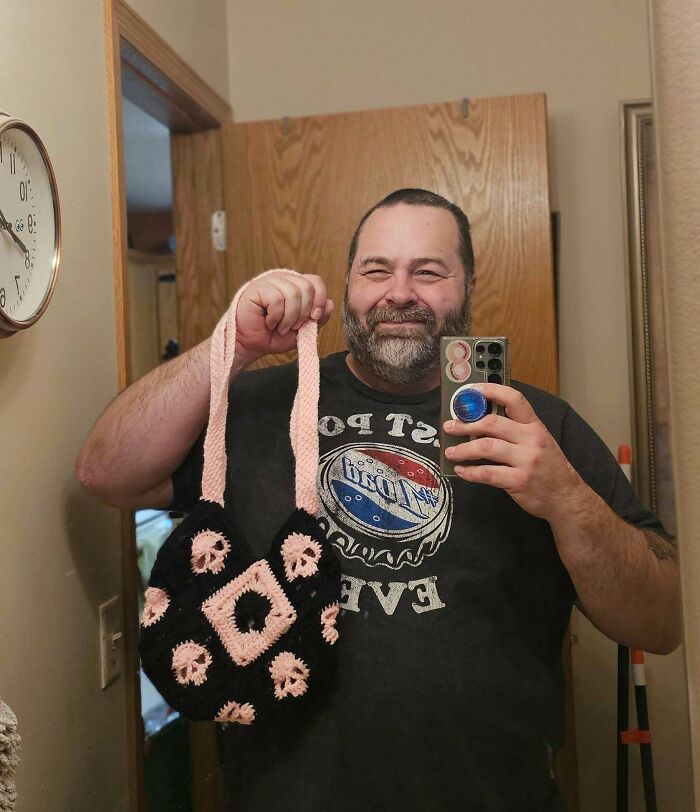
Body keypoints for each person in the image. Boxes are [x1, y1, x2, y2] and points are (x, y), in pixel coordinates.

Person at [77, 188, 680, 811]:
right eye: (376, 270)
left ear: (466, 286)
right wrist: (233, 345)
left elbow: (659, 624)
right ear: (347, 285)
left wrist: (564, 496)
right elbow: (104, 473)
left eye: (428, 271)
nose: (399, 292)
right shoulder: (257, 406)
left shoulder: (533, 425)